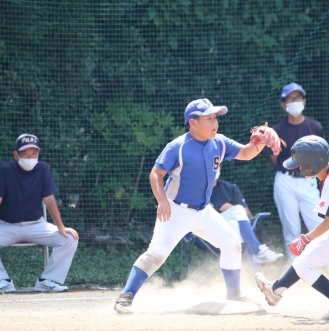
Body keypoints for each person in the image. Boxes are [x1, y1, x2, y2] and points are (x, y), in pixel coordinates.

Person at [114, 98, 283, 314]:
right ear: (193, 123)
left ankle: (234, 294)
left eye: (215, 118)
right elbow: (156, 174)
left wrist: (260, 143)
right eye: (209, 118)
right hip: (175, 210)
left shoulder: (219, 142)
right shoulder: (178, 147)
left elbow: (245, 153)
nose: (215, 123)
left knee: (232, 243)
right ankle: (125, 297)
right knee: (157, 254)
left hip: (203, 211)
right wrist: (162, 201)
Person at [255, 135, 329, 320]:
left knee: (304, 265)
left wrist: (305, 238)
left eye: (301, 165)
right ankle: (275, 291)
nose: (300, 168)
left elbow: (328, 223)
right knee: (305, 259)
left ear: (312, 166)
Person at [0, 134, 80, 293]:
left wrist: (61, 227)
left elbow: (49, 199)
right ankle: (1, 281)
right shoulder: (5, 170)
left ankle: (49, 281)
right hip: (6, 226)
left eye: (33, 153)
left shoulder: (43, 169)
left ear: (38, 153)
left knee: (69, 238)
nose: (30, 157)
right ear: (16, 155)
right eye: (25, 154)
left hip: (36, 225)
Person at [268, 83, 325, 258]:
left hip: (309, 181)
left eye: (298, 98)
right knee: (291, 229)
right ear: (283, 104)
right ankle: (296, 268)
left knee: (319, 225)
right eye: (290, 99)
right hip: (285, 181)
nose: (294, 102)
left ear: (304, 101)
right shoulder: (276, 131)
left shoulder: (315, 127)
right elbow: (274, 159)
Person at [210, 169, 283, 265]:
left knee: (234, 223)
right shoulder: (197, 190)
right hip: (209, 228)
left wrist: (232, 208)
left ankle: (241, 263)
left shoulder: (229, 187)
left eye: (216, 164)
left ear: (220, 167)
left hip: (229, 228)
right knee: (238, 209)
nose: (214, 168)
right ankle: (257, 252)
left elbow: (245, 212)